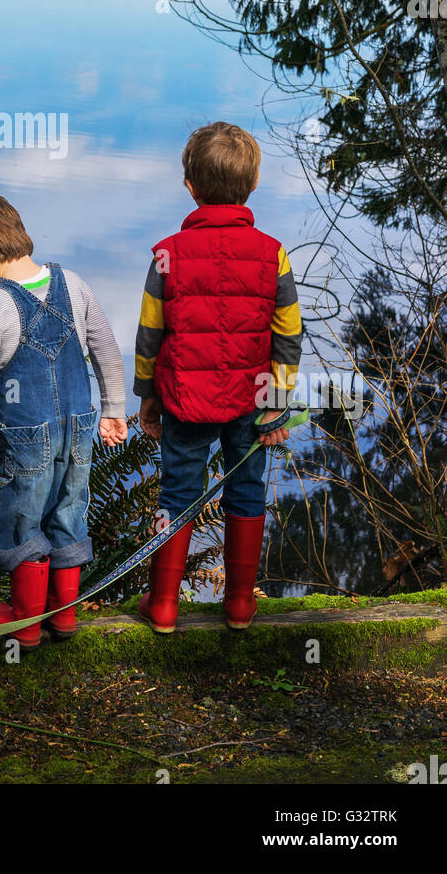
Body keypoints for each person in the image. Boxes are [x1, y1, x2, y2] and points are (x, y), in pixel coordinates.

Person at [0, 193, 127, 649]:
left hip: (27, 438)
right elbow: (105, 348)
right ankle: (63, 617)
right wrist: (115, 410)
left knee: (20, 515)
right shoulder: (74, 283)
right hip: (80, 430)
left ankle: (24, 620)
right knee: (68, 509)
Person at [134, 122, 302, 633]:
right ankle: (238, 605)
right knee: (247, 493)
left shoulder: (167, 253)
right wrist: (278, 402)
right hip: (251, 404)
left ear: (190, 186)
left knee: (177, 495)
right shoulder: (272, 252)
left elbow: (150, 335)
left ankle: (164, 605)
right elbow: (288, 335)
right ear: (253, 185)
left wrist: (148, 395)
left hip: (185, 399)